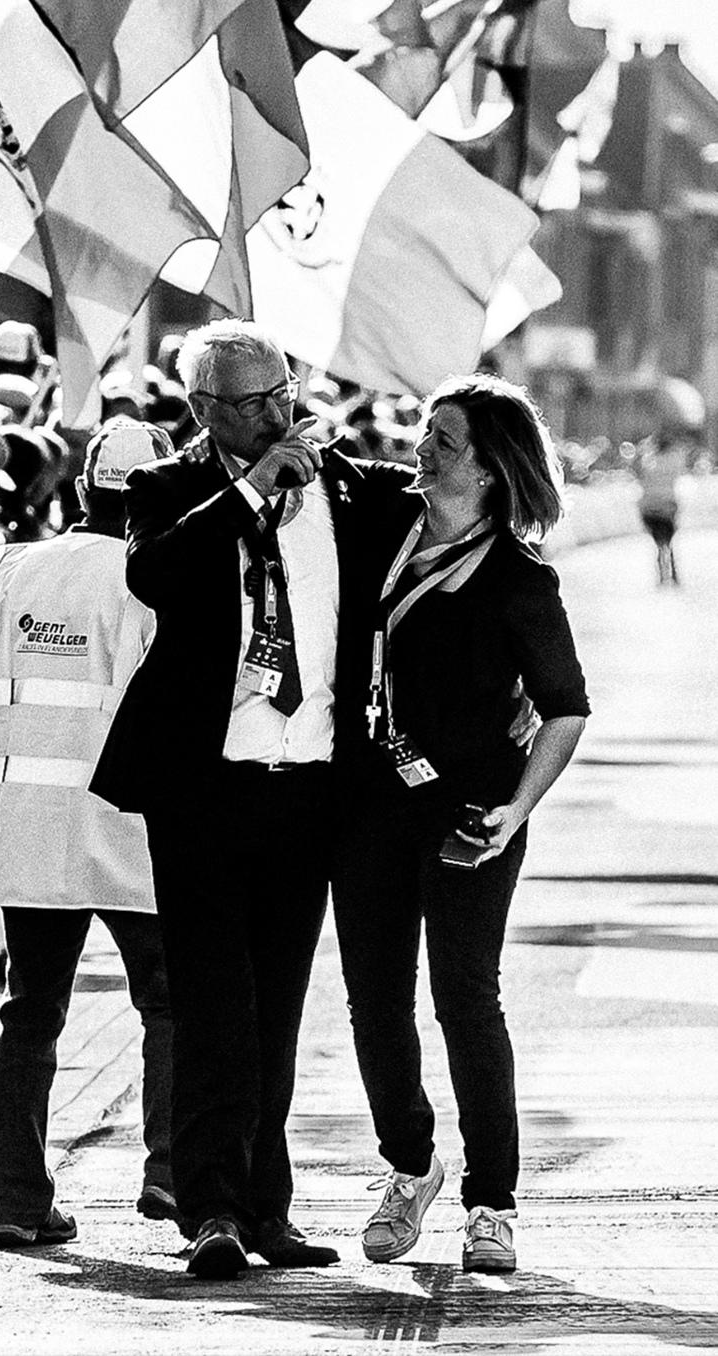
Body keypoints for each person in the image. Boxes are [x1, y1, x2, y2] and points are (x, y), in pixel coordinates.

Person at [90, 318, 425, 1279]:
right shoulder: (171, 491)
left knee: (276, 1008)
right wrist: (248, 494)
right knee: (210, 1004)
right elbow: (154, 573)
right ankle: (210, 1211)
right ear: (203, 411)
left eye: (283, 391)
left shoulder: (352, 490)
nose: (277, 413)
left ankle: (266, 1210)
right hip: (203, 787)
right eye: (250, 403)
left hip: (314, 783)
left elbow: (455, 526)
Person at [331, 374, 590, 1275]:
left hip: (470, 814)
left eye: (442, 440)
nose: (421, 448)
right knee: (372, 1004)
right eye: (423, 432)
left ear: (486, 468)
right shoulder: (375, 528)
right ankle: (410, 1166)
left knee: (465, 1000)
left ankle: (491, 1202)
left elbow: (564, 707)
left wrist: (517, 808)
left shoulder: (519, 579)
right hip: (365, 804)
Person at [0, 417, 178, 1249]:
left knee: (31, 1013)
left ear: (81, 490)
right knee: (168, 1006)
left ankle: (17, 1202)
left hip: (29, 824)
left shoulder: (9, 570)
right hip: (135, 828)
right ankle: (170, 1172)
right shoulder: (160, 578)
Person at [635, 431, 688, 586]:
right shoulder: (673, 461)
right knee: (669, 544)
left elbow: (639, 473)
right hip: (668, 507)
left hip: (650, 507)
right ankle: (674, 575)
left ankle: (661, 576)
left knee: (658, 545)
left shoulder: (648, 461)